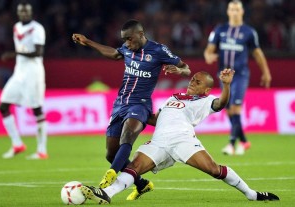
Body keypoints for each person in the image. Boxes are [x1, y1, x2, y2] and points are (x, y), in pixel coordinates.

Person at [79, 69, 279, 204]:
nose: (192, 82)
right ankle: (106, 194)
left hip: (183, 140)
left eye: (197, 82)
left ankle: (251, 194)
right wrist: (134, 113)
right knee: (134, 168)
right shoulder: (174, 97)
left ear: (206, 89)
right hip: (159, 141)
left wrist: (226, 85)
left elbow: (221, 104)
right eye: (192, 79)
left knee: (214, 170)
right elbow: (157, 119)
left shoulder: (206, 100)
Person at [72, 19, 191, 200]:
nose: (127, 43)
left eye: (129, 39)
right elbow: (114, 54)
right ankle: (142, 184)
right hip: (120, 104)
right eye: (124, 40)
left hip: (140, 104)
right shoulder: (127, 49)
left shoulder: (158, 50)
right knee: (111, 153)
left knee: (128, 133)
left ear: (141, 35)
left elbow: (186, 69)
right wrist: (87, 41)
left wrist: (179, 71)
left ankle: (111, 174)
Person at [204, 0, 272, 155]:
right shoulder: (219, 30)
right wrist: (209, 56)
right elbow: (209, 49)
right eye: (232, 9)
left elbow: (258, 54)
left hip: (240, 75)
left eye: (237, 9)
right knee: (228, 110)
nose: (234, 12)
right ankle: (244, 141)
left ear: (242, 12)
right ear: (228, 12)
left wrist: (266, 72)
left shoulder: (249, 32)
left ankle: (231, 144)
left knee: (235, 107)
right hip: (223, 76)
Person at [0, 2, 48, 160]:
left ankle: (41, 150)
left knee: (36, 109)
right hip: (19, 73)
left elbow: (38, 52)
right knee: (3, 106)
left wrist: (14, 54)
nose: (24, 14)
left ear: (31, 12)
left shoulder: (37, 28)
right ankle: (17, 144)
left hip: (33, 73)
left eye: (27, 12)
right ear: (18, 13)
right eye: (21, 12)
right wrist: (17, 55)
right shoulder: (16, 27)